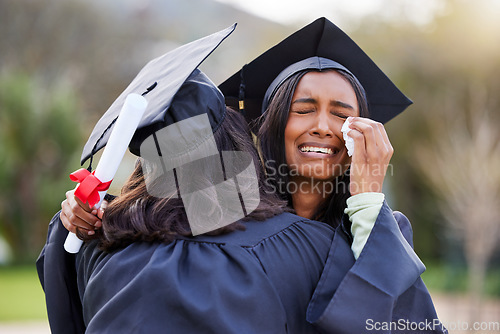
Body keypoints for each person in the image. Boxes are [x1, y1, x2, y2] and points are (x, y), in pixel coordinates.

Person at [54, 19, 447, 333]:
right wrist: (89, 213)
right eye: (304, 108)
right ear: (272, 123)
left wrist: (366, 201)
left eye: (343, 115)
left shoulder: (376, 230)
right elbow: (163, 214)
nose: (325, 126)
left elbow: (411, 325)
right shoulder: (229, 206)